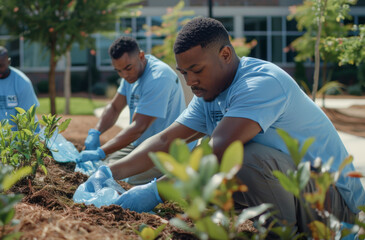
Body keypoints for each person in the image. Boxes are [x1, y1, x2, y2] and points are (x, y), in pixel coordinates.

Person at [83, 17, 365, 231]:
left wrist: (154, 191)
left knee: (241, 155)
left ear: (226, 55)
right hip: (295, 192)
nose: (190, 82)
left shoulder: (259, 84)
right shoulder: (210, 93)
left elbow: (219, 151)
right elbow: (166, 141)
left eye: (197, 70)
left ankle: (283, 234)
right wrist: (108, 171)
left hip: (334, 208)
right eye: (184, 73)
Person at [78, 36, 189, 185]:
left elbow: (138, 127)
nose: (124, 75)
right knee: (103, 169)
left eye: (128, 68)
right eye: (119, 71)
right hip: (141, 144)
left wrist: (101, 151)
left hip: (167, 149)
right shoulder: (131, 74)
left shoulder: (158, 78)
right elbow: (115, 107)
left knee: (123, 181)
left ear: (141, 56)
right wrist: (95, 132)